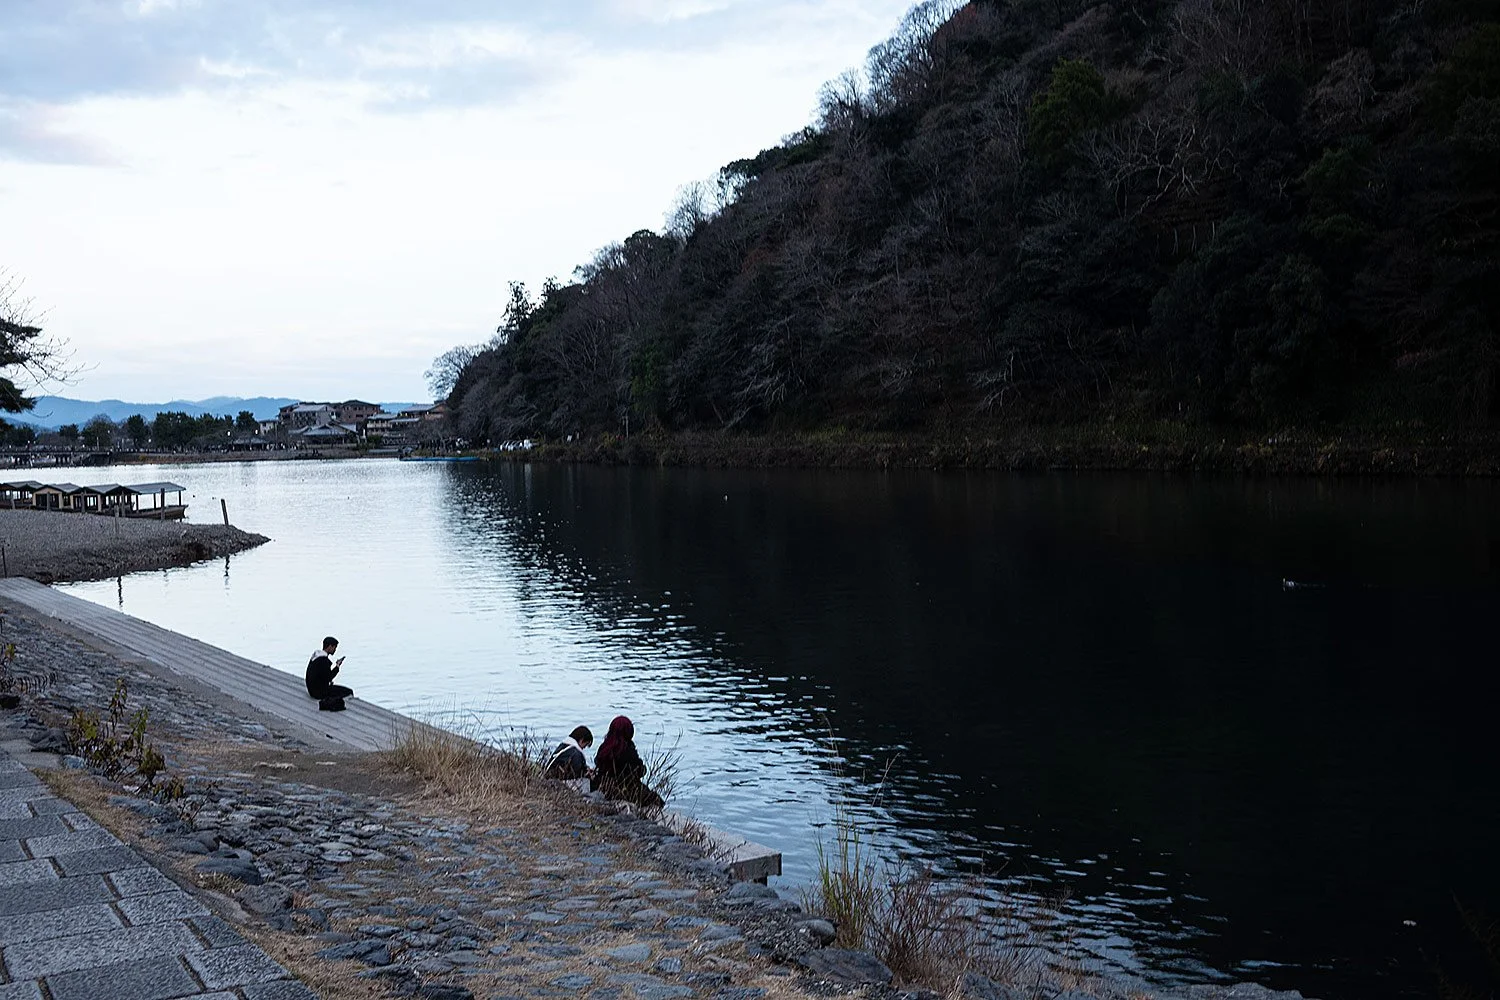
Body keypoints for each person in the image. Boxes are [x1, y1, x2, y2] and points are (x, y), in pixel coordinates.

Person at [590, 715, 664, 810]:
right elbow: (638, 772)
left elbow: (598, 763)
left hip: (603, 786)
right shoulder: (627, 750)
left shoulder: (604, 747)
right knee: (657, 801)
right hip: (626, 789)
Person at [305, 636, 353, 708]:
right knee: (349, 692)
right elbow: (329, 677)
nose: (335, 650)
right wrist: (337, 666)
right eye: (334, 647)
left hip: (311, 690)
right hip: (319, 693)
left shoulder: (315, 656)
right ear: (330, 647)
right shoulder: (323, 661)